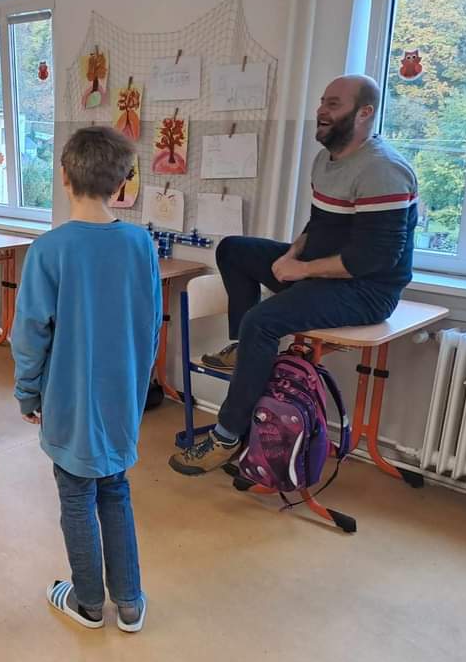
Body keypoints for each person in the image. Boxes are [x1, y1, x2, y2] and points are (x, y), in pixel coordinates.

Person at [169, 74, 418, 475]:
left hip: (367, 291)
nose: (321, 111)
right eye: (322, 101)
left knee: (261, 322)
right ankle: (242, 347)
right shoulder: (326, 160)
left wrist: (300, 269)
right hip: (325, 272)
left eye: (333, 104)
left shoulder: (382, 171)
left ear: (364, 113)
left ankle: (226, 436)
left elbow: (373, 259)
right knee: (233, 249)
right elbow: (319, 224)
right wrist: (292, 254)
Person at [13, 126, 161, 632]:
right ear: (122, 183)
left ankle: (89, 603)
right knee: (115, 489)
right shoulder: (140, 243)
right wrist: (137, 387)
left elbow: (30, 334)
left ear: (63, 177)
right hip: (121, 397)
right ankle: (130, 602)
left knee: (76, 495)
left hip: (69, 399)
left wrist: (27, 392)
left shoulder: (49, 249)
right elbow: (150, 324)